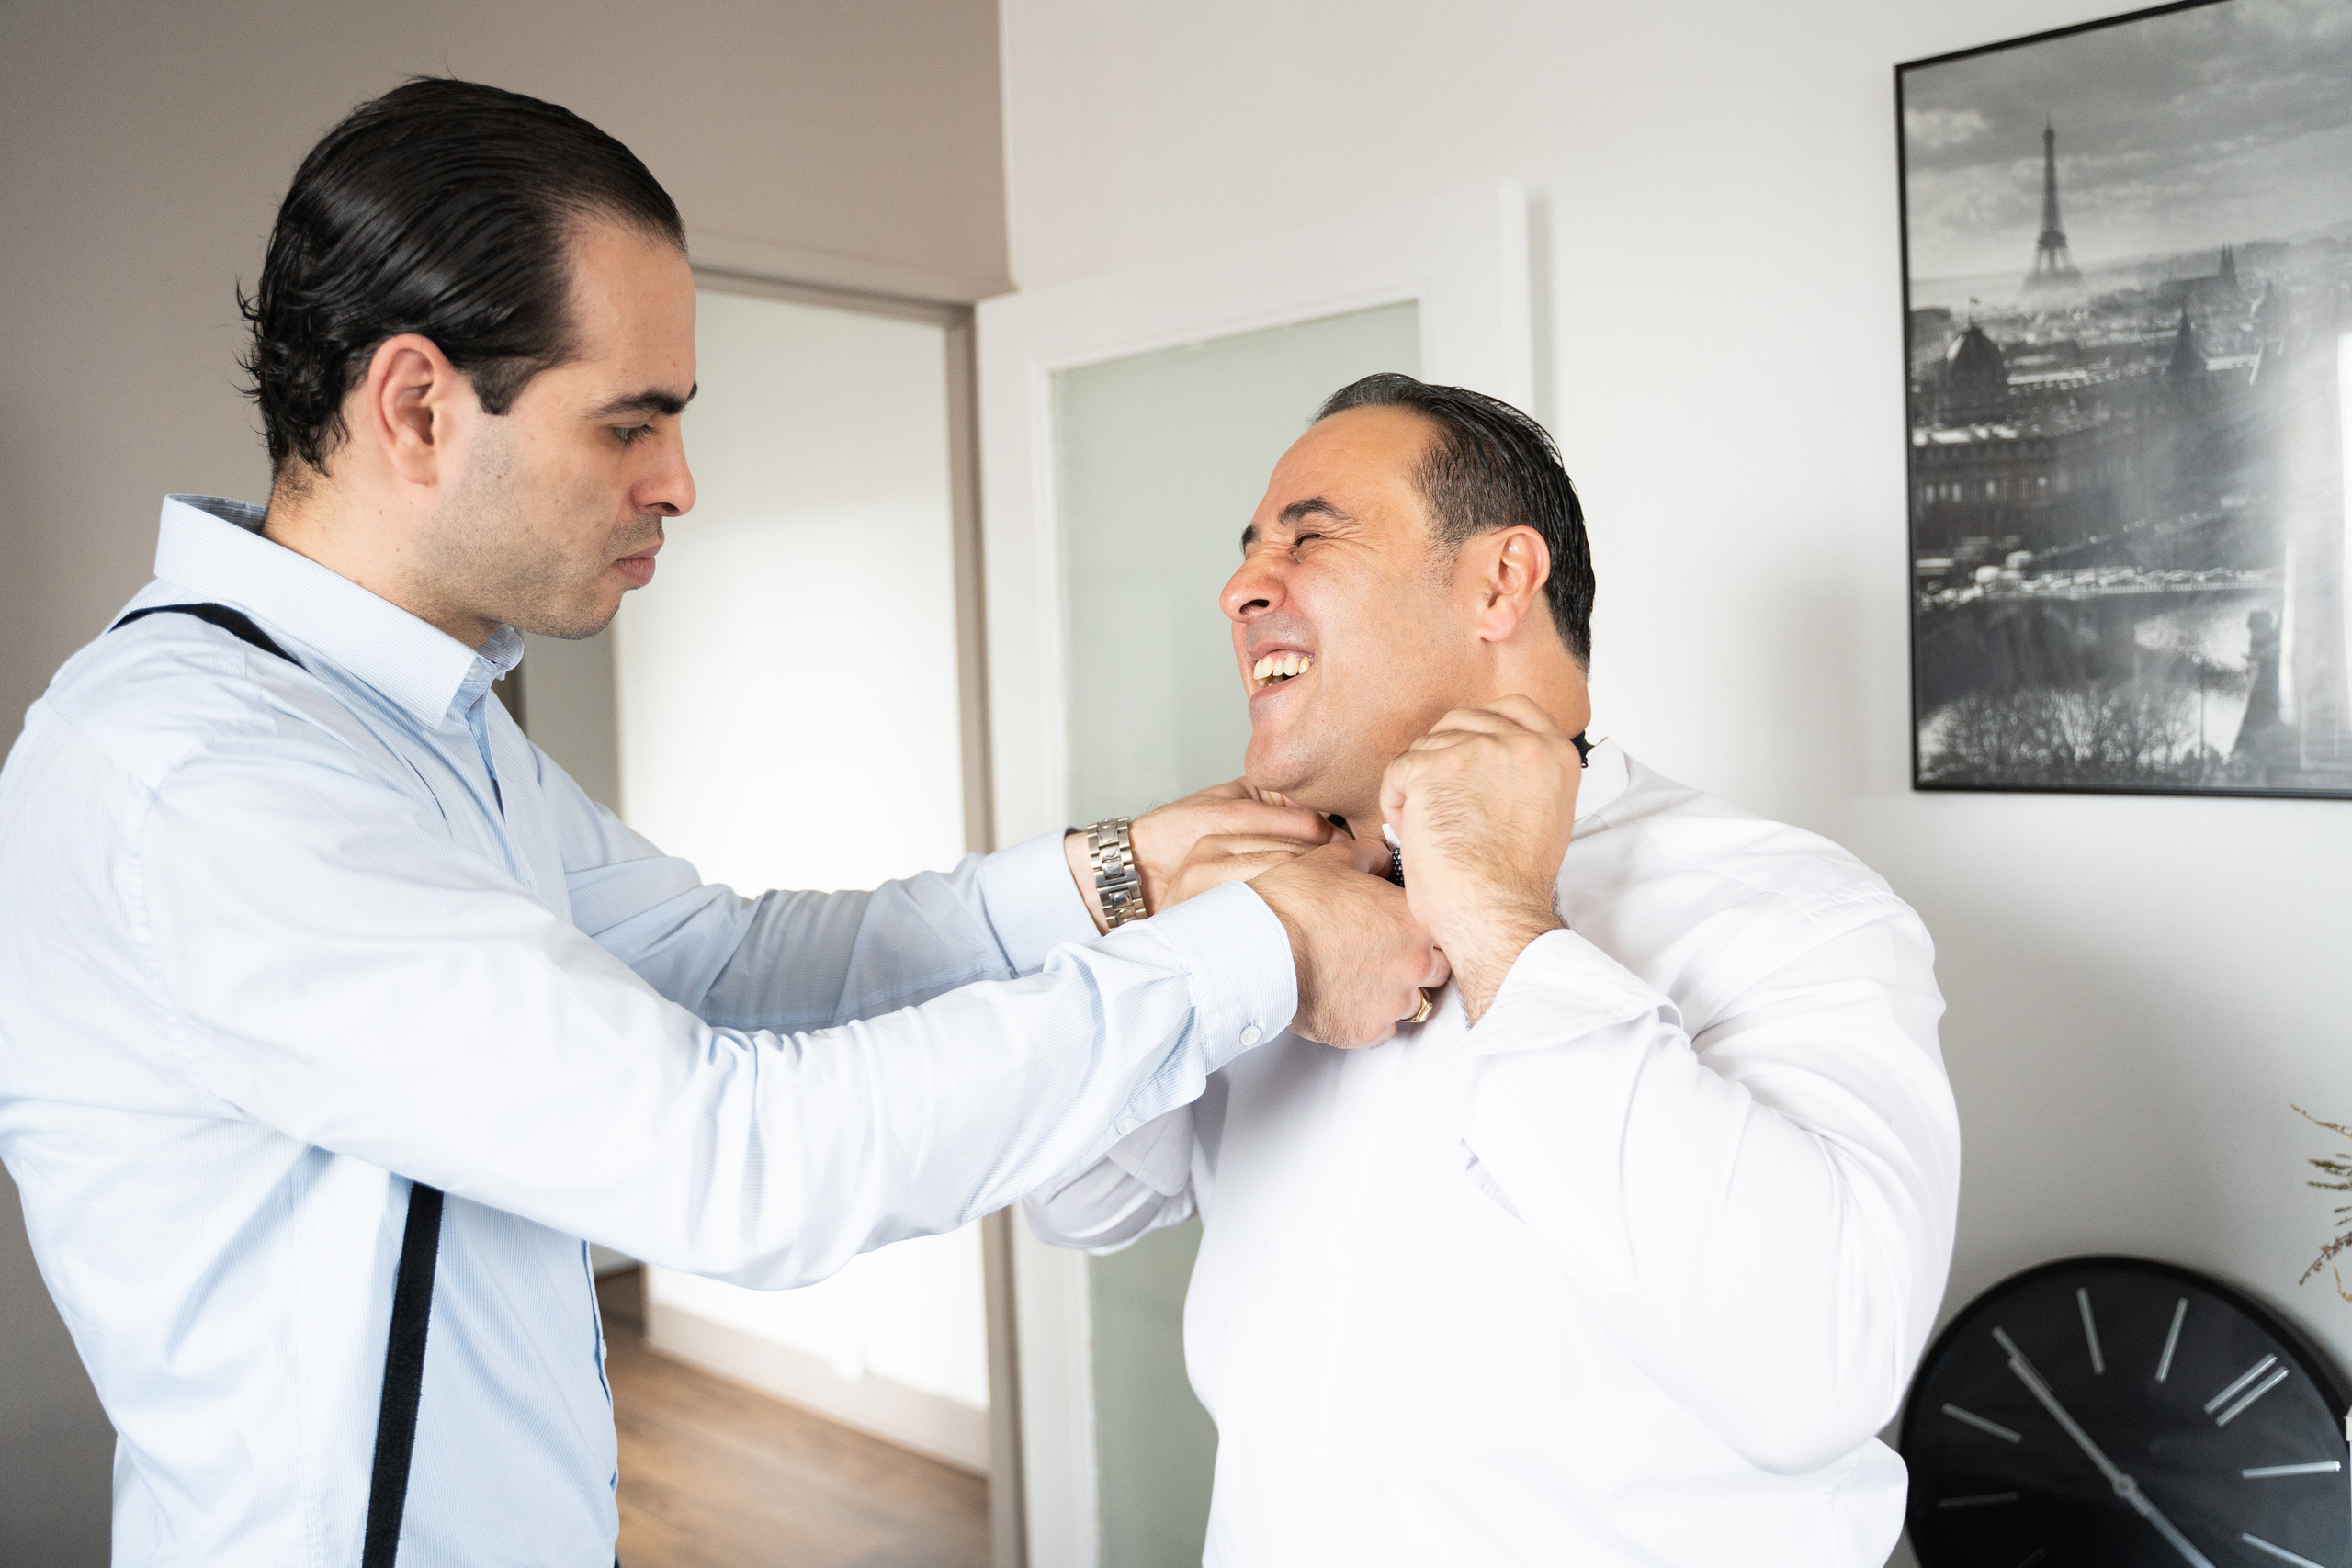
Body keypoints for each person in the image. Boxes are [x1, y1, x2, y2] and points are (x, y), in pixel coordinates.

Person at [0, 82, 1445, 1566]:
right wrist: (1257, 952)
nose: (678, 484)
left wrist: (1120, 873)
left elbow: (726, 964)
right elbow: (732, 1159)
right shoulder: (210, 779)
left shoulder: (410, 723)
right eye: (629, 425)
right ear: (418, 407)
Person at [1026, 374, 1963, 1565]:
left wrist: (1504, 928)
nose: (1241, 589)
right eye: (1249, 550)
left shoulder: (1788, 911)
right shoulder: (1268, 902)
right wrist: (1173, 949)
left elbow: (1819, 1371)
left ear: (1500, 582)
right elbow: (1078, 1203)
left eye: (1309, 538)